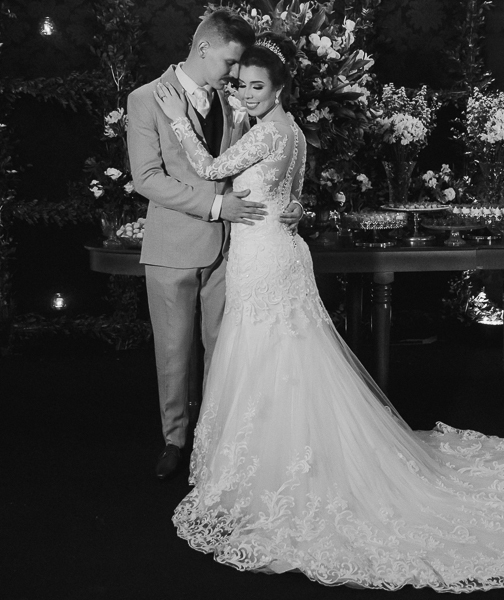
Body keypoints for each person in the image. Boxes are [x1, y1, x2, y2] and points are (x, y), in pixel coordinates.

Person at [153, 32, 504, 592]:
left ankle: (277, 469)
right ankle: (284, 455)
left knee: (269, 353)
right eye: (242, 85)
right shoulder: (292, 131)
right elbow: (295, 194)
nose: (246, 94)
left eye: (257, 87)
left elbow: (210, 169)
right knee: (287, 354)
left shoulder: (267, 132)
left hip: (263, 258)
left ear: (279, 88)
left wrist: (177, 121)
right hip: (278, 249)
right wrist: (292, 204)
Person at [127, 9, 304, 480]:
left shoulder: (237, 100)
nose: (235, 75)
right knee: (173, 353)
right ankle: (174, 440)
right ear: (204, 48)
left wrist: (293, 202)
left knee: (225, 352)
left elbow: (267, 164)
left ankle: (217, 441)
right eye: (229, 63)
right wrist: (215, 206)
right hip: (173, 245)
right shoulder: (146, 99)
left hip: (234, 249)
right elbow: (147, 178)